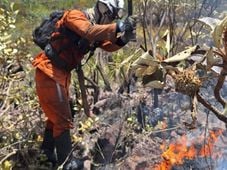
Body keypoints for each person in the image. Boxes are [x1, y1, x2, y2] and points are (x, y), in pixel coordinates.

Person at [32, 0, 136, 168]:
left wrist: (123, 39)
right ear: (103, 9)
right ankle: (67, 164)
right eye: (111, 16)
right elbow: (89, 32)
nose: (110, 20)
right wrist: (120, 26)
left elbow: (107, 45)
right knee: (63, 120)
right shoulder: (75, 16)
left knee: (55, 118)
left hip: (61, 75)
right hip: (48, 71)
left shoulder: (96, 27)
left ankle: (46, 154)